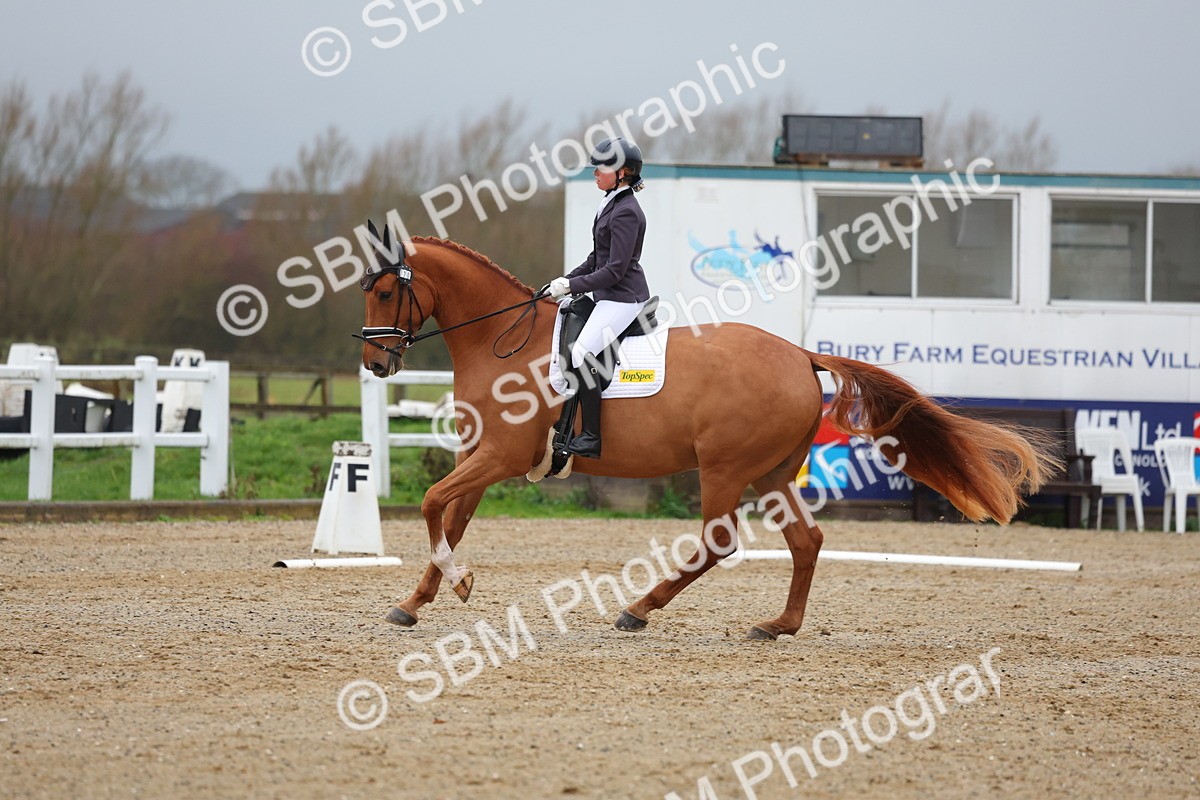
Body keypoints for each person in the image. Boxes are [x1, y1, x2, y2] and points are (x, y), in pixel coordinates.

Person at [544, 137, 651, 459]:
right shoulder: (611, 203)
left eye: (602, 167)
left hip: (623, 297)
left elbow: (615, 270)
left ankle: (591, 436)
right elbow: (596, 259)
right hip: (607, 294)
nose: (595, 173)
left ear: (624, 172)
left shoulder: (627, 211)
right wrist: (563, 281)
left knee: (580, 354)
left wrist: (573, 286)